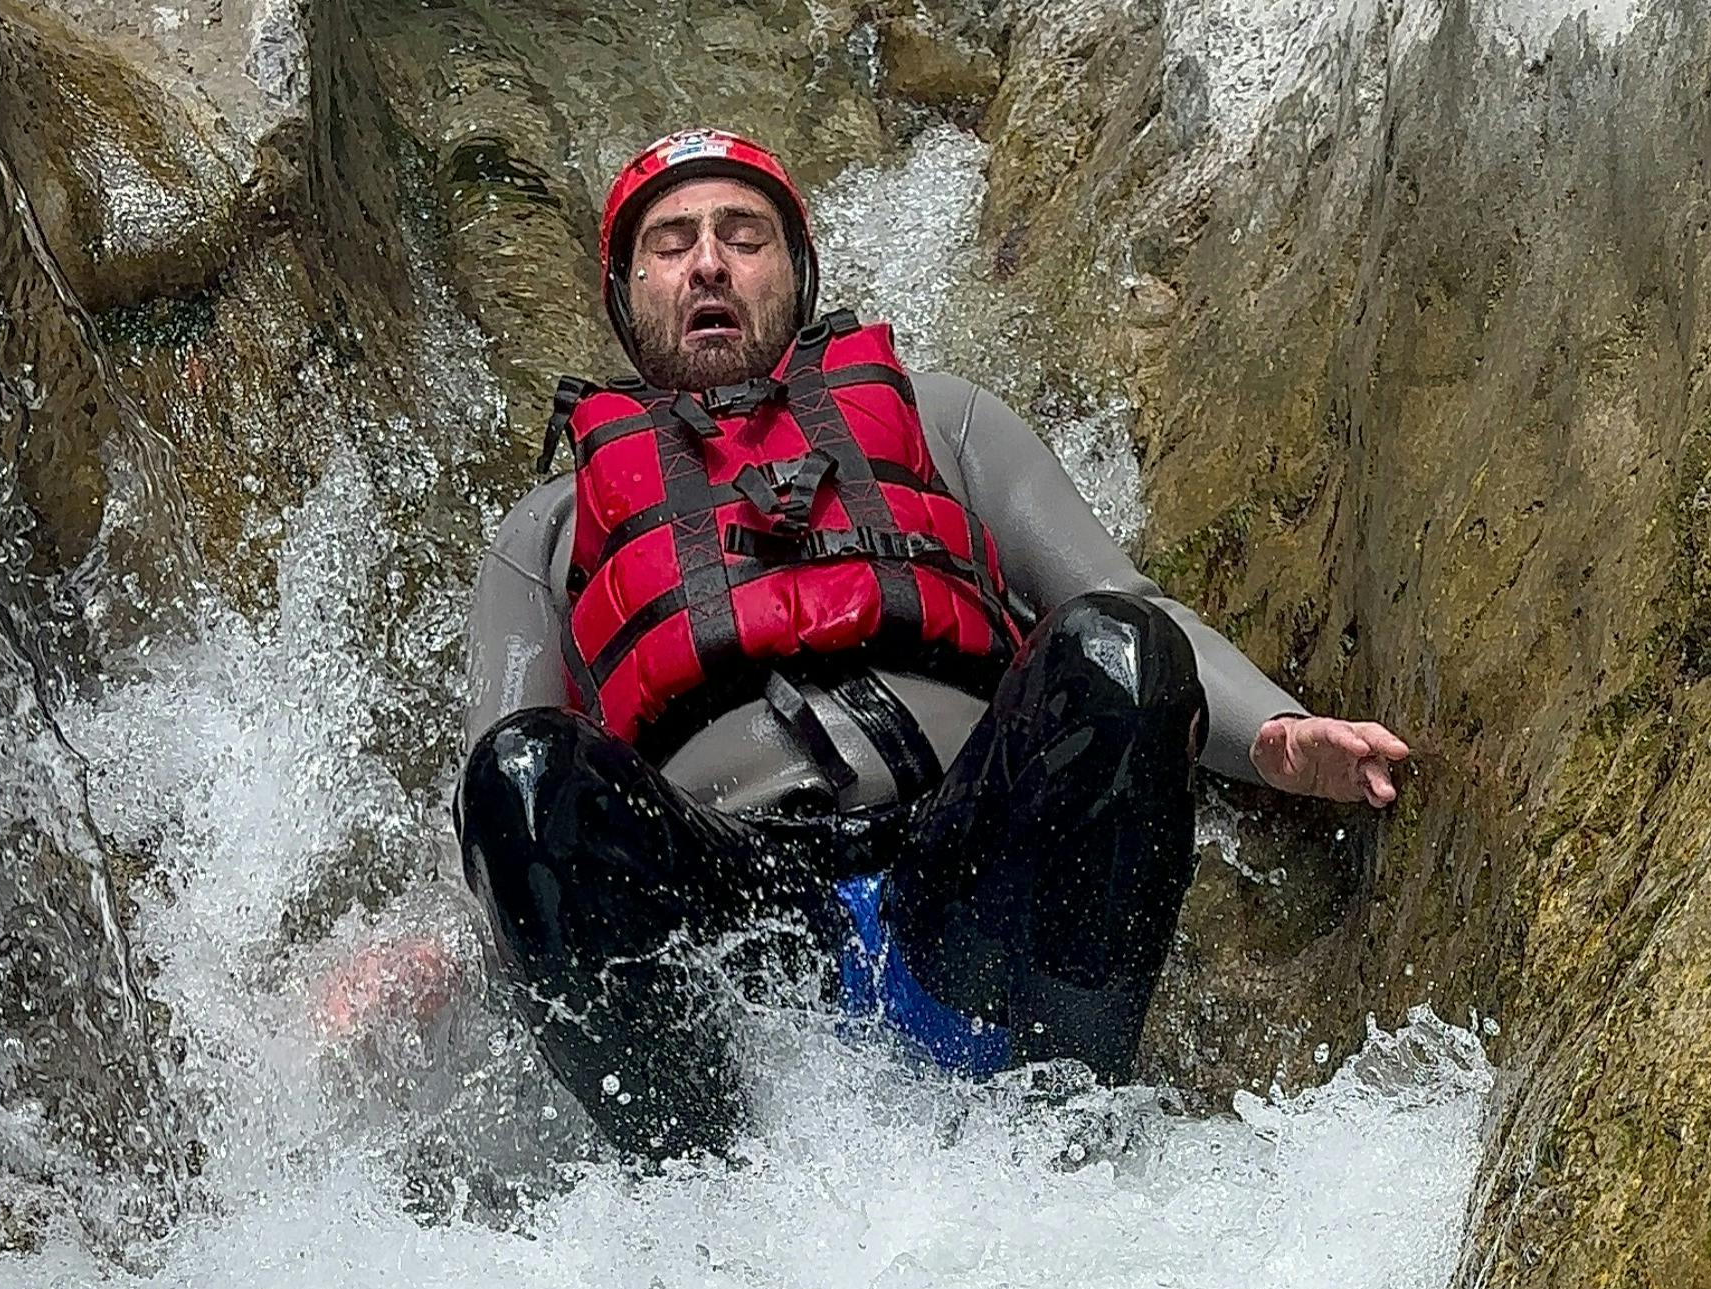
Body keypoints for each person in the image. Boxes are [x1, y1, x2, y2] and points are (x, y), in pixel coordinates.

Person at [376, 128, 1408, 1161]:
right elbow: (493, 797)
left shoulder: (940, 419)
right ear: (625, 290)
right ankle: (707, 1183)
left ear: (797, 270)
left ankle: (1073, 1143)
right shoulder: (549, 531)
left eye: (745, 237)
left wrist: (1275, 732)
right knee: (523, 771)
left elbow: (1123, 601)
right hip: (731, 928)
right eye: (672, 243)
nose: (709, 263)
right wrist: (430, 940)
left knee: (1114, 647)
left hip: (965, 878)